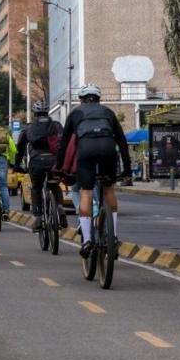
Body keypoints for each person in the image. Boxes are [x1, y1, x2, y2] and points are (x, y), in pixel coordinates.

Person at [55, 84, 131, 258]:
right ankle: (113, 236)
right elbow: (122, 142)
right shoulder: (108, 112)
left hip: (87, 149)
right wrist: (127, 170)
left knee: (86, 193)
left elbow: (64, 144)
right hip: (107, 148)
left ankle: (87, 240)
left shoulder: (75, 113)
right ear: (99, 99)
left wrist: (59, 167)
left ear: (81, 99)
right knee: (109, 189)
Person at [16, 102, 65, 233]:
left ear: (34, 114)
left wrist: (16, 164)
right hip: (54, 161)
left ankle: (38, 218)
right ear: (47, 112)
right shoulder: (56, 125)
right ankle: (60, 208)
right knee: (55, 186)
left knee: (36, 187)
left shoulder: (29, 128)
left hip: (37, 161)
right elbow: (64, 142)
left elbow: (20, 148)